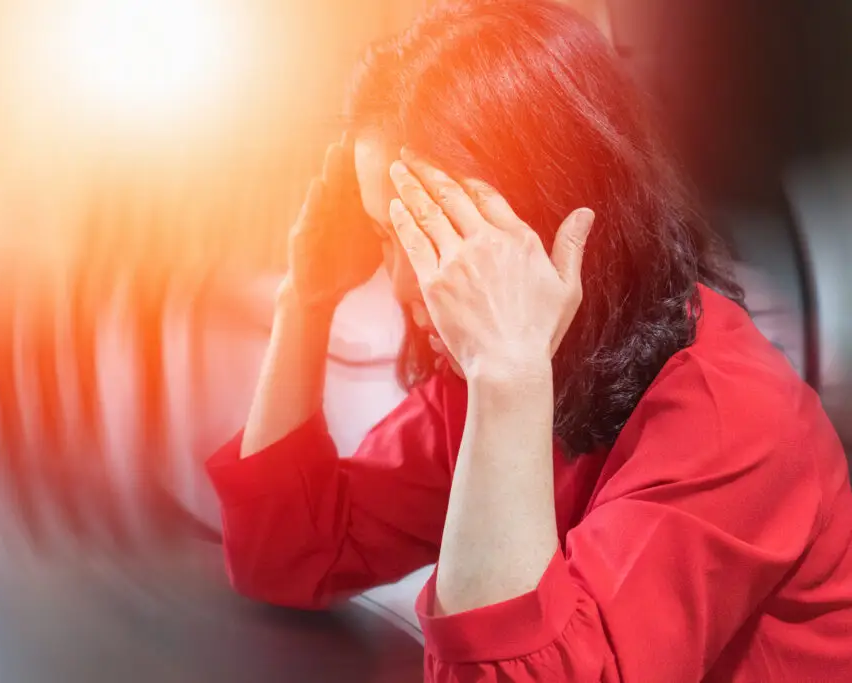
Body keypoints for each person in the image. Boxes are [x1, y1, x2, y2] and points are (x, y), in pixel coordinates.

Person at [205, 1, 852, 681]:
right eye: (385, 236)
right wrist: (306, 297)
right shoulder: (506, 372)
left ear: (553, 211)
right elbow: (285, 553)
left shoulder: (735, 419)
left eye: (437, 239)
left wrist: (507, 378)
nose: (399, 281)